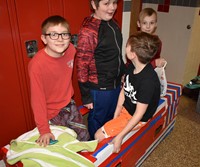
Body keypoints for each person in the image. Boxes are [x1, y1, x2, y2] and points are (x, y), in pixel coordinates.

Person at [95, 32, 161, 153]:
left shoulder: (148, 81)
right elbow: (123, 92)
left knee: (98, 135)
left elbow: (139, 114)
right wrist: (116, 116)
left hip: (137, 117)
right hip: (127, 110)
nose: (125, 48)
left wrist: (120, 136)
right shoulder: (131, 67)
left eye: (127, 46)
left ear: (132, 54)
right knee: (108, 126)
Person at [28, 15, 89, 147]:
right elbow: (37, 100)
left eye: (64, 34)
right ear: (44, 38)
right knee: (65, 145)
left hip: (69, 104)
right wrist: (44, 130)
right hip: (52, 113)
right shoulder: (37, 65)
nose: (60, 39)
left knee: (84, 138)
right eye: (54, 35)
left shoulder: (71, 50)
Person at [76, 0, 125, 140]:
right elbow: (82, 65)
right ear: (94, 4)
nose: (112, 8)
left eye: (114, 2)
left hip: (115, 83)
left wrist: (122, 73)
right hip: (100, 87)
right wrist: (86, 95)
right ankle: (95, 149)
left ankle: (107, 147)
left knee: (112, 116)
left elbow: (117, 53)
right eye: (106, 3)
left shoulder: (113, 23)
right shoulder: (88, 31)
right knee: (98, 119)